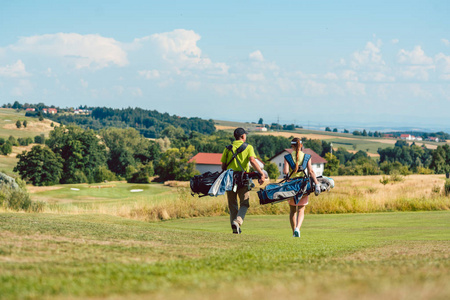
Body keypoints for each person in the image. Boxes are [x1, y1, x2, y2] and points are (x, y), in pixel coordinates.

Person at [221, 128, 266, 234]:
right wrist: (261, 173)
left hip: (230, 179)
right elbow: (252, 161)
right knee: (244, 203)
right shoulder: (248, 147)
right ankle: (237, 222)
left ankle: (234, 227)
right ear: (242, 136)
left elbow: (223, 166)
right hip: (243, 179)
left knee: (232, 204)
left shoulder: (228, 148)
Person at [283, 137, 320, 238]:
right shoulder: (307, 156)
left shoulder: (287, 157)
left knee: (292, 211)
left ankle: (293, 232)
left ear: (292, 146)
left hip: (291, 186)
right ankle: (297, 228)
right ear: (301, 145)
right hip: (303, 186)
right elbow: (311, 171)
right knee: (301, 210)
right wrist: (316, 184)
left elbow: (285, 172)